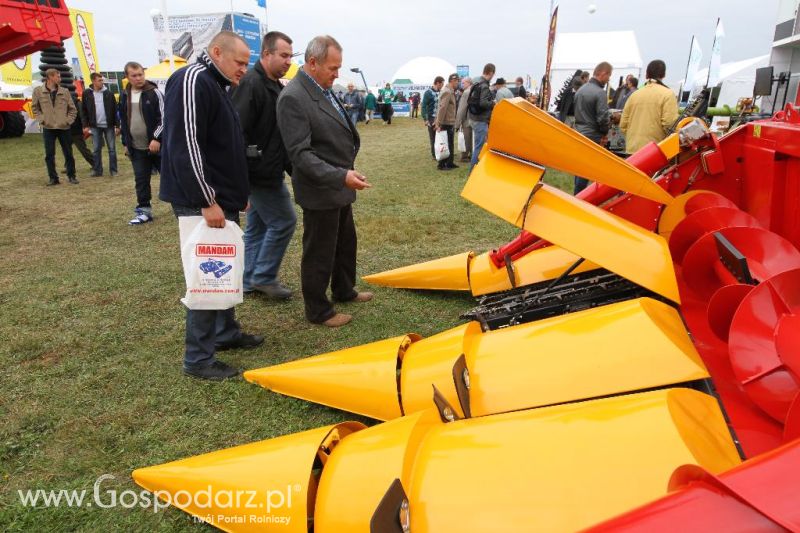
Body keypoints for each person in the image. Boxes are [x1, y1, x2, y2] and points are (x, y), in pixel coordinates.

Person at [159, 31, 264, 381]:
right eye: (239, 62)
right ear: (216, 52)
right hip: (200, 202)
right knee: (208, 276)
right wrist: (207, 200)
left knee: (224, 268)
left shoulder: (216, 85)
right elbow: (184, 144)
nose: (243, 70)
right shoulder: (192, 80)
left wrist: (237, 193)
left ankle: (225, 333)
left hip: (221, 199)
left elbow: (224, 146)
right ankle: (198, 359)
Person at [277, 35, 373, 328]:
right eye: (333, 68)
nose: (337, 74)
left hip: (339, 185)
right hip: (321, 188)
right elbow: (300, 156)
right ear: (312, 62)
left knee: (345, 242)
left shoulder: (321, 88)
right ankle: (318, 310)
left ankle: (344, 289)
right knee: (320, 249)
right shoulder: (294, 97)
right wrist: (340, 175)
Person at [231, 31, 296, 300]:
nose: (288, 61)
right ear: (266, 54)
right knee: (284, 221)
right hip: (259, 174)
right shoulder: (251, 84)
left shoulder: (274, 85)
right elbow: (237, 132)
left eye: (290, 56)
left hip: (268, 170)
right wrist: (242, 181)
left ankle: (247, 280)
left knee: (256, 229)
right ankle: (264, 276)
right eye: (283, 55)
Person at [119, 61, 164, 225]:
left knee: (170, 176)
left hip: (158, 147)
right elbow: (123, 120)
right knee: (141, 180)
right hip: (136, 147)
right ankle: (144, 211)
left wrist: (156, 138)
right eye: (134, 75)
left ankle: (183, 207)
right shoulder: (125, 95)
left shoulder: (154, 93)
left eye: (141, 74)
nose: (138, 78)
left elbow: (164, 118)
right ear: (127, 77)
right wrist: (125, 142)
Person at [573, 61, 616, 194]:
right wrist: (605, 132)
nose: (609, 79)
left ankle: (577, 196)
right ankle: (580, 197)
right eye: (609, 76)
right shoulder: (599, 93)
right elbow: (602, 118)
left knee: (579, 169)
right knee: (588, 170)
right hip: (593, 135)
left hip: (579, 132)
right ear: (603, 74)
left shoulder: (580, 90)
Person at [31, 68, 78, 186]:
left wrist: (68, 121)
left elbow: (72, 109)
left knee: (68, 153)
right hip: (48, 128)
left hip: (64, 127)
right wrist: (42, 120)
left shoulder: (65, 91)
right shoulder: (38, 91)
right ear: (50, 77)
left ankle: (72, 176)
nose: (60, 78)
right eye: (58, 76)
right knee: (49, 154)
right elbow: (35, 108)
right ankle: (53, 178)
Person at [620, 60, 678, 155]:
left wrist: (633, 137)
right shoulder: (668, 94)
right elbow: (669, 124)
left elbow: (623, 124)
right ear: (664, 75)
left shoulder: (634, 95)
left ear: (646, 75)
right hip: (654, 152)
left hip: (631, 150)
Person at [82, 72, 119, 177]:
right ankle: (97, 170)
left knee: (112, 149)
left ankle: (113, 170)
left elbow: (115, 110)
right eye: (99, 80)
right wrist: (85, 125)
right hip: (95, 126)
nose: (101, 82)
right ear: (93, 81)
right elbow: (83, 111)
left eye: (102, 80)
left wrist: (117, 126)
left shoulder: (109, 93)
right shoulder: (87, 94)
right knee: (96, 149)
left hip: (109, 125)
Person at [468, 63, 496, 168]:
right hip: (480, 120)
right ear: (491, 72)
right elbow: (483, 103)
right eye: (493, 74)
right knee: (479, 147)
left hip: (473, 117)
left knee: (478, 145)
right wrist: (493, 103)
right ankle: (473, 171)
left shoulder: (476, 82)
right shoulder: (484, 85)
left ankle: (477, 169)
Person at [434, 73, 459, 171]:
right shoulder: (447, 92)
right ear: (452, 81)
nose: (458, 83)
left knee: (450, 143)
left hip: (449, 121)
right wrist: (438, 122)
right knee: (445, 143)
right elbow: (442, 108)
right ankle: (442, 164)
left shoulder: (450, 91)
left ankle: (450, 162)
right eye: (457, 81)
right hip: (445, 122)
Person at [421, 76, 444, 160]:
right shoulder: (428, 93)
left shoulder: (441, 92)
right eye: (442, 84)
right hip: (431, 118)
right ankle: (434, 154)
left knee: (441, 135)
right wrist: (425, 119)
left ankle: (442, 151)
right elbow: (423, 106)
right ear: (437, 83)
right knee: (433, 137)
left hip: (440, 117)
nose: (442, 85)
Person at [455, 76, 473, 162]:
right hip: (475, 119)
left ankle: (465, 156)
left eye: (463, 83)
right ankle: (473, 155)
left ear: (468, 83)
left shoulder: (466, 92)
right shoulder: (474, 91)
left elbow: (461, 109)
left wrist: (457, 123)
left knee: (466, 138)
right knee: (473, 139)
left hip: (467, 119)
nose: (461, 84)